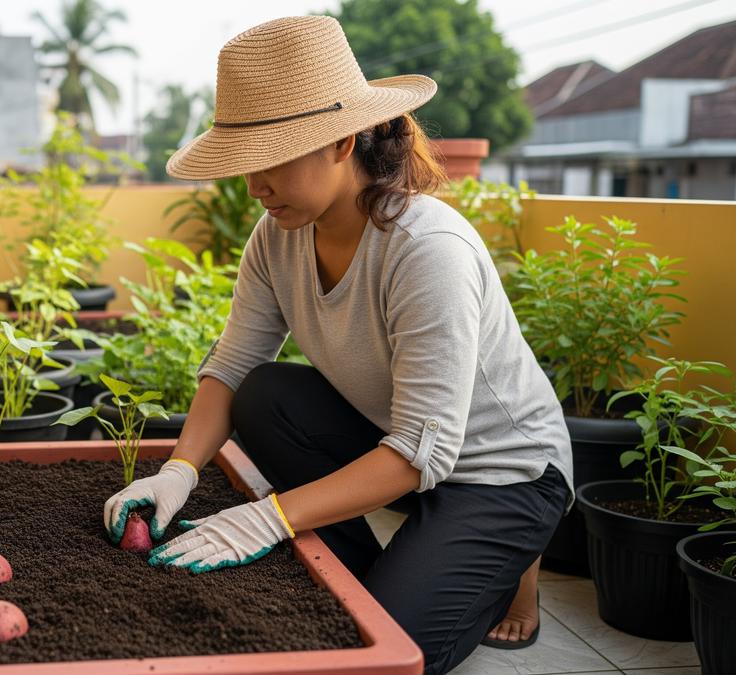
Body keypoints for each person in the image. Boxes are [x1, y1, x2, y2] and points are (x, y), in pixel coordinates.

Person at [100, 15, 573, 675]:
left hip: (501, 468)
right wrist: (178, 469)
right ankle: (402, 565)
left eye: (272, 159)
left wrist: (268, 518)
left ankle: (510, 555)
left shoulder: (426, 250)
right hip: (405, 442)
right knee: (264, 395)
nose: (254, 185)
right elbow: (233, 364)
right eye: (245, 165)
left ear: (341, 141)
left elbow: (418, 452)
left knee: (387, 652)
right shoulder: (278, 235)